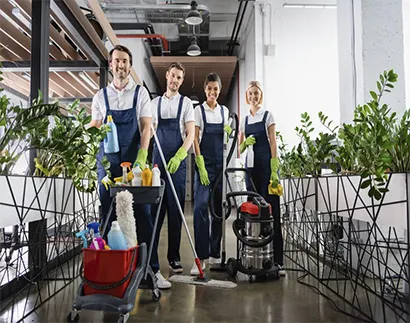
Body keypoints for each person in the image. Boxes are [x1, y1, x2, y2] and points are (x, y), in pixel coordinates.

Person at [90, 45, 170, 289]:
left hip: (135, 163)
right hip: (108, 164)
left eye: (125, 61)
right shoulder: (100, 97)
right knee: (107, 214)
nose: (121, 65)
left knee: (143, 214)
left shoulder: (140, 94)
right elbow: (95, 125)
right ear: (110, 64)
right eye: (117, 61)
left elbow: (146, 126)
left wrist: (142, 156)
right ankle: (109, 272)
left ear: (129, 65)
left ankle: (150, 270)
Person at [151, 62, 195, 276]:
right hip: (158, 163)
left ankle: (174, 258)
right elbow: (149, 132)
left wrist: (180, 155)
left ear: (181, 81)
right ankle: (150, 257)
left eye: (179, 77)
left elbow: (190, 134)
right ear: (166, 76)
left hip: (177, 165)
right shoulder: (154, 103)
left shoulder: (186, 103)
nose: (175, 80)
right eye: (173, 76)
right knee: (155, 213)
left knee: (175, 212)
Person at [238, 80, 285, 275]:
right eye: (250, 93)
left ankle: (277, 260)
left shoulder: (267, 115)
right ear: (247, 96)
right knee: (254, 213)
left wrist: (274, 168)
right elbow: (239, 149)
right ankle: (254, 257)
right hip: (251, 172)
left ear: (260, 95)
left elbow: (273, 142)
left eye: (256, 93)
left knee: (272, 212)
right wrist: (244, 143)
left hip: (267, 170)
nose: (253, 96)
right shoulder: (244, 120)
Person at [190, 73, 231, 275]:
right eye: (209, 89)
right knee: (199, 209)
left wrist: (230, 133)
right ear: (205, 90)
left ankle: (215, 253)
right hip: (204, 165)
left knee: (218, 211)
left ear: (219, 90)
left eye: (216, 89)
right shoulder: (198, 110)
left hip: (220, 166)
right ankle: (201, 256)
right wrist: (200, 163)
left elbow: (227, 139)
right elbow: (196, 138)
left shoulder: (225, 111)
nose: (212, 93)